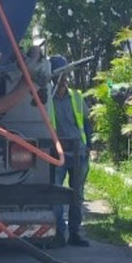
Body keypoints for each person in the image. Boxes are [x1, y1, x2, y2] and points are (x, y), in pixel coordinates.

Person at [47, 55, 92, 247]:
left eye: (66, 74)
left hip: (78, 153)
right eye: (60, 74)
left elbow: (88, 121)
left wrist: (88, 144)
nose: (64, 78)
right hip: (56, 155)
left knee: (77, 195)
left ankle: (74, 233)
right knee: (56, 196)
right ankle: (59, 234)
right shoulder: (46, 97)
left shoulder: (76, 96)